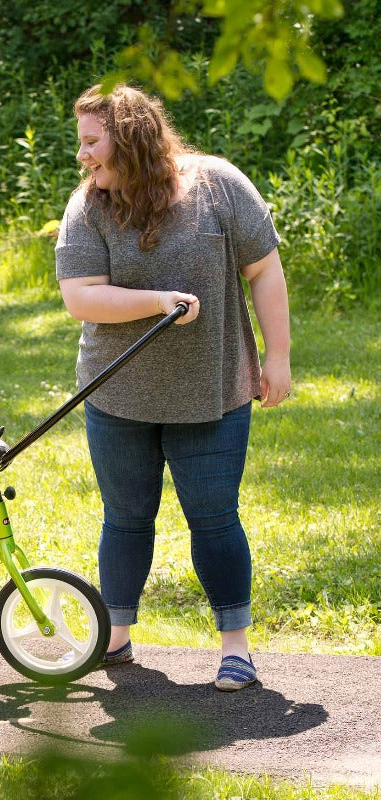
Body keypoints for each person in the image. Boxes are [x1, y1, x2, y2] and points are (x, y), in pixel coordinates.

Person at [55, 84, 290, 691]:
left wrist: (278, 357)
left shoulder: (218, 186)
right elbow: (81, 295)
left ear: (129, 138)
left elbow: (264, 270)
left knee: (214, 519)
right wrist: (156, 302)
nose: (82, 155)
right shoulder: (89, 206)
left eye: (91, 141)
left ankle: (235, 647)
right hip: (118, 397)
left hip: (212, 392)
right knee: (126, 519)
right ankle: (116, 638)